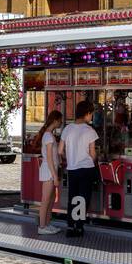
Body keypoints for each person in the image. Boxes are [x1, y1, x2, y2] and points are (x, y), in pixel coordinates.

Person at [59, 100, 98, 238]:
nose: (91, 116)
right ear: (87, 114)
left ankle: (70, 226)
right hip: (86, 168)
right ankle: (79, 227)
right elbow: (92, 153)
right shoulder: (90, 131)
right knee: (82, 198)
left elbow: (60, 150)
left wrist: (69, 157)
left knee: (73, 197)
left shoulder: (67, 129)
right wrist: (93, 160)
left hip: (72, 168)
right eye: (91, 114)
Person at [34, 109, 62, 235]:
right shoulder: (49, 136)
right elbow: (50, 158)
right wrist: (55, 175)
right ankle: (42, 226)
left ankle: (46, 223)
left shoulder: (48, 135)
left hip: (50, 170)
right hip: (49, 171)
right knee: (46, 200)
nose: (61, 123)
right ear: (55, 121)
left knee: (50, 200)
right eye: (60, 120)